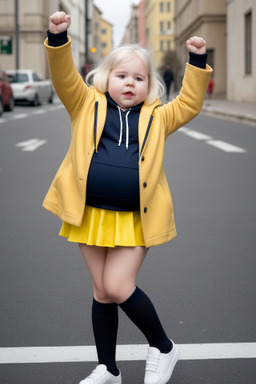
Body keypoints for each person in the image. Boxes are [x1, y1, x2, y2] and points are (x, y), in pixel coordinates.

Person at [43, 11, 212, 384]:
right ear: (106, 78)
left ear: (149, 85)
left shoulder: (158, 117)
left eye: (139, 78)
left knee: (118, 286)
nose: (130, 83)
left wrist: (197, 63)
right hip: (89, 214)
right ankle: (109, 368)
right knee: (102, 293)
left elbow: (189, 104)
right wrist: (57, 38)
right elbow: (64, 76)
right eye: (122, 76)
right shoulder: (84, 104)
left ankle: (164, 347)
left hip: (137, 216)